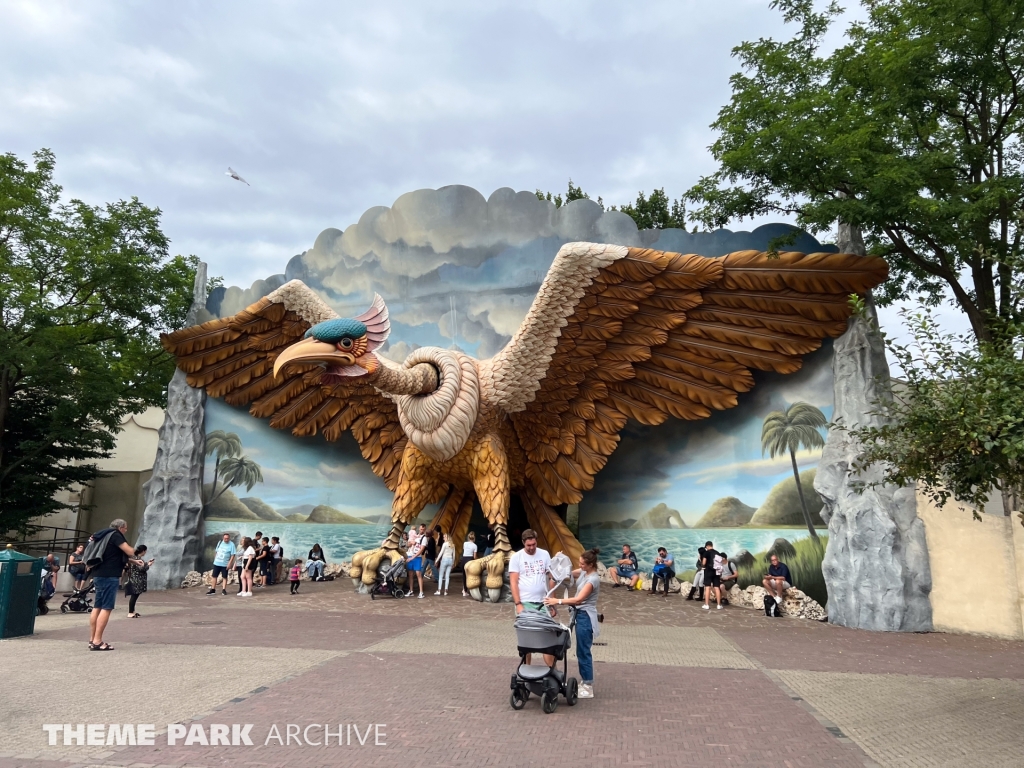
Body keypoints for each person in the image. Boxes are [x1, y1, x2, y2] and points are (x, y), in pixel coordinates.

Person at [544, 547, 601, 699]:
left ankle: (588, 685)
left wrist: (557, 601)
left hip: (585, 617)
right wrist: (559, 560)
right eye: (579, 563)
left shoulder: (593, 579)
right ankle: (584, 681)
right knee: (580, 650)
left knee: (583, 651)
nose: (580, 565)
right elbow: (567, 573)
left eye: (582, 564)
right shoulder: (584, 572)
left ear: (590, 564)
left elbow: (578, 600)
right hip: (578, 615)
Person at [87, 519, 141, 651]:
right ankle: (98, 641)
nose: (126, 531)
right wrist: (137, 551)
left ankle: (92, 639)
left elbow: (111, 555)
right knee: (107, 607)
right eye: (126, 528)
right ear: (121, 527)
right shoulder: (115, 535)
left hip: (98, 573)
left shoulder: (101, 535)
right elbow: (129, 551)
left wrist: (133, 562)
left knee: (97, 606)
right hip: (109, 575)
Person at [510, 528, 556, 665]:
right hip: (525, 603)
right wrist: (518, 604)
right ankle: (526, 671)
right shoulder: (516, 557)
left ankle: (551, 673)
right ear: (523, 543)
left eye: (534, 545)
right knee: (527, 641)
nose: (531, 548)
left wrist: (552, 601)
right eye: (528, 545)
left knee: (547, 639)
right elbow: (513, 581)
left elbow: (551, 578)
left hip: (543, 602)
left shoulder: (544, 554)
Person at [124, 545, 154, 618]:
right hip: (137, 580)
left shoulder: (134, 558)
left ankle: (132, 611)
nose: (145, 552)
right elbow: (141, 569)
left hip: (135, 579)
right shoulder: (137, 558)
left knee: (135, 596)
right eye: (145, 551)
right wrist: (148, 565)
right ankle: (130, 612)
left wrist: (146, 563)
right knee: (134, 596)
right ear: (143, 551)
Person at [405, 525, 428, 598]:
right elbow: (408, 545)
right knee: (410, 574)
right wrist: (411, 542)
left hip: (417, 557)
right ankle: (411, 590)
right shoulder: (415, 536)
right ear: (419, 528)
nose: (422, 530)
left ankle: (421, 592)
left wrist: (413, 557)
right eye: (421, 529)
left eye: (423, 529)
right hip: (410, 555)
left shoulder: (424, 538)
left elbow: (421, 549)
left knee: (418, 574)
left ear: (425, 530)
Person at [702, 540, 723, 610]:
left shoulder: (706, 553)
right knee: (717, 587)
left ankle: (706, 604)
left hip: (708, 571)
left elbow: (704, 563)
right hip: (716, 572)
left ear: (707, 546)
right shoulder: (718, 553)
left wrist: (701, 560)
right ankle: (719, 605)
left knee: (707, 587)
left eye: (706, 547)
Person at [460, 532, 478, 597]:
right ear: (474, 538)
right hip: (469, 560)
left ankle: (464, 589)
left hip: (463, 559)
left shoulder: (465, 543)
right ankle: (465, 591)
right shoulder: (475, 546)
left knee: (464, 576)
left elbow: (464, 550)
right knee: (468, 576)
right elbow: (475, 557)